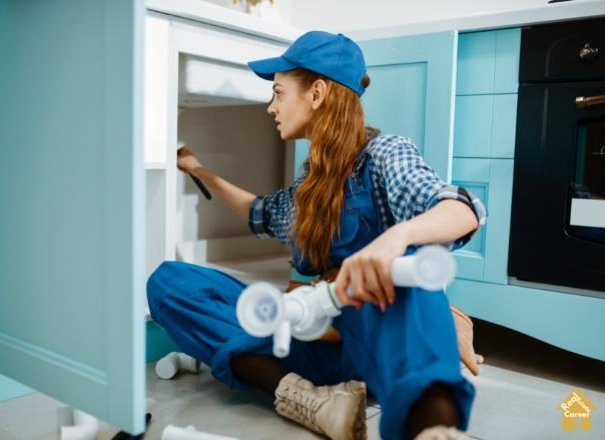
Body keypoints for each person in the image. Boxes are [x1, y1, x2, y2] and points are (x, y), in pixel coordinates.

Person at [147, 30, 487, 440]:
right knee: (170, 282)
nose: (271, 107)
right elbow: (259, 212)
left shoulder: (384, 154)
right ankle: (311, 402)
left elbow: (463, 209)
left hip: (376, 347)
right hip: (315, 348)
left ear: (317, 92)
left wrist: (396, 239)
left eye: (278, 93)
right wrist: (199, 170)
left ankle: (433, 429)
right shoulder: (309, 183)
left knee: (406, 263)